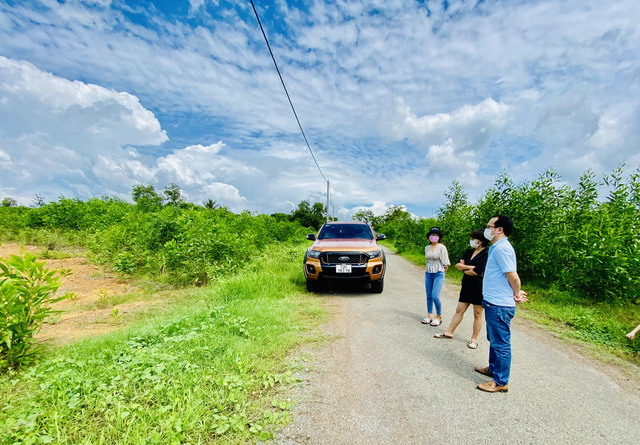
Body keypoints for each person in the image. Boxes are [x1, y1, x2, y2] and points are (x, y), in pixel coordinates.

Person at [474, 215, 527, 393]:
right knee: (494, 339)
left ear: (499, 230)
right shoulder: (496, 247)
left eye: (489, 226)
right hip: (492, 301)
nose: (486, 229)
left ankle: (501, 381)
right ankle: (493, 369)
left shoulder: (502, 248)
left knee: (501, 343)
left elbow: (513, 276)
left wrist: (517, 293)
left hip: (499, 304)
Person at [434, 230, 489, 349]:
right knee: (459, 310)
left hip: (479, 287)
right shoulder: (469, 252)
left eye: (473, 238)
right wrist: (468, 268)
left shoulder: (487, 253)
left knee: (477, 313)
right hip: (467, 285)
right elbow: (458, 265)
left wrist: (467, 268)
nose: (472, 240)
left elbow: (478, 272)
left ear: (480, 241)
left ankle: (474, 339)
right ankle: (449, 332)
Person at [422, 227, 450, 326]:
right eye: (432, 235)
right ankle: (430, 315)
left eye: (436, 235)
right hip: (428, 272)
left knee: (435, 296)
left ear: (439, 237)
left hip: (439, 272)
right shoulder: (427, 247)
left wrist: (443, 275)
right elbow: (427, 261)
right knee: (429, 295)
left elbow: (445, 263)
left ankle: (439, 316)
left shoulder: (442, 247)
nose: (434, 236)